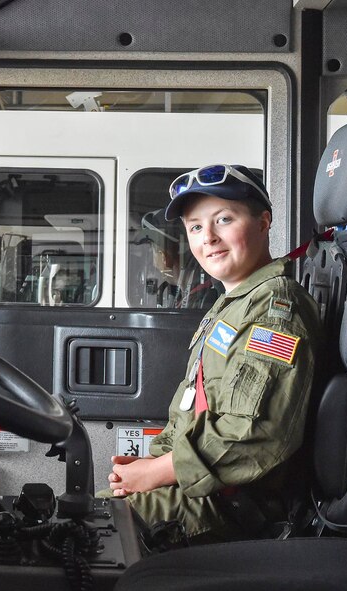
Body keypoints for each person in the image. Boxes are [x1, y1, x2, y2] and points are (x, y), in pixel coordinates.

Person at [102, 164, 322, 545]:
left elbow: (253, 434)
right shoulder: (232, 304)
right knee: (80, 518)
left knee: (91, 529)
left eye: (224, 219)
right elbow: (190, 410)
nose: (210, 238)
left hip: (230, 507)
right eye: (196, 227)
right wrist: (151, 463)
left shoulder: (275, 308)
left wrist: (156, 474)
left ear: (263, 222)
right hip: (203, 491)